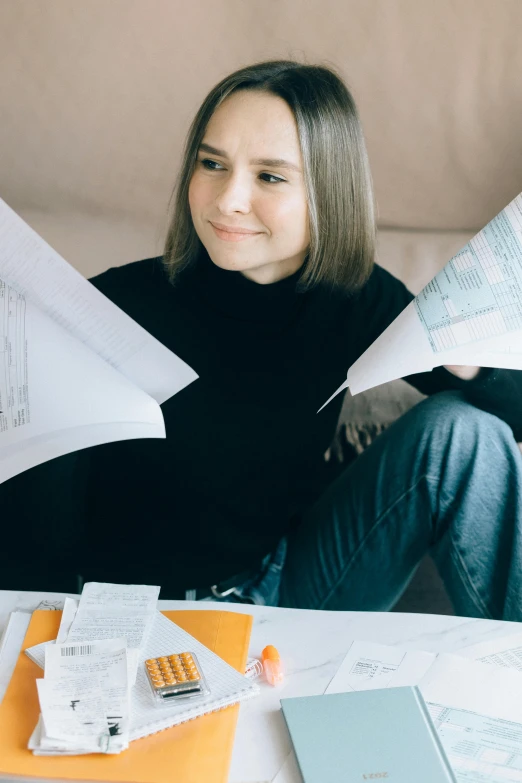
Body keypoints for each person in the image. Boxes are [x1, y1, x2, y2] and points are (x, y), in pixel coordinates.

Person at [3, 59, 522, 619]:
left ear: (330, 192)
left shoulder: (356, 295)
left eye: (269, 176)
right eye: (212, 164)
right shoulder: (105, 310)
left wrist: (464, 361)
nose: (227, 199)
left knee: (462, 432)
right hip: (130, 619)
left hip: (283, 589)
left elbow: (508, 419)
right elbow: (30, 552)